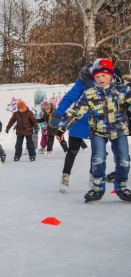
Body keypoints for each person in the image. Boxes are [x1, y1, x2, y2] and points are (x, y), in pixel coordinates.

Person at [56, 58, 131, 202]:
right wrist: (62, 128)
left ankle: (121, 186)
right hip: (98, 131)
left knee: (124, 160)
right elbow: (76, 111)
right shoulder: (90, 94)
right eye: (97, 76)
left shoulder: (123, 90)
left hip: (119, 130)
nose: (101, 79)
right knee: (98, 159)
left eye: (104, 75)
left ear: (111, 74)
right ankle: (97, 187)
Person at [51, 64, 95, 192]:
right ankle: (65, 176)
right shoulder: (80, 84)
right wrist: (58, 114)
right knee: (72, 151)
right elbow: (68, 98)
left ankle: (93, 175)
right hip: (78, 120)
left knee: (97, 151)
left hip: (96, 122)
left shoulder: (103, 82)